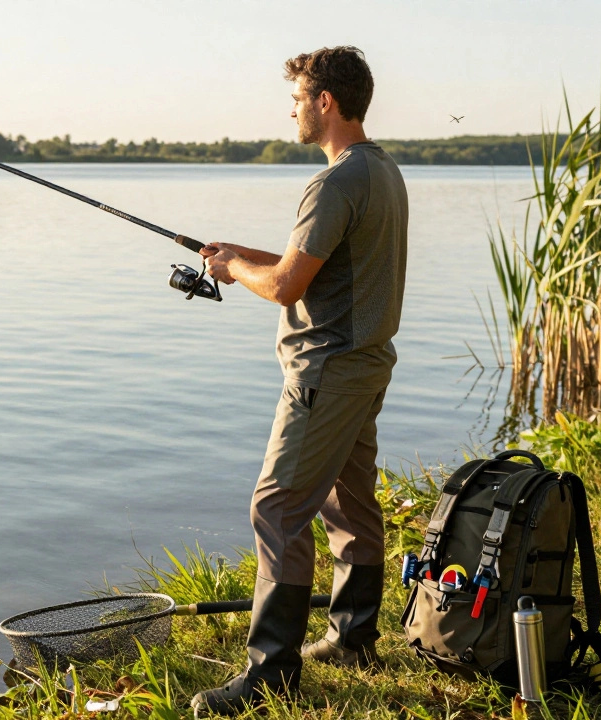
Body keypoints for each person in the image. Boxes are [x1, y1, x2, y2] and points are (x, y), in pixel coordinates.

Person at [189, 46, 408, 717]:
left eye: (296, 99)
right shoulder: (382, 171)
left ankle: (269, 677)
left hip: (327, 373)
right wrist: (236, 256)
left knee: (277, 509)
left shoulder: (335, 182)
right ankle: (352, 636)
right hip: (365, 367)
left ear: (326, 103)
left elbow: (286, 286)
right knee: (349, 503)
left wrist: (235, 274)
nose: (290, 110)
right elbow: (307, 265)